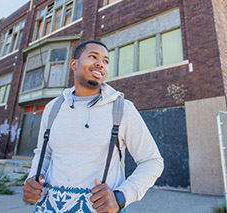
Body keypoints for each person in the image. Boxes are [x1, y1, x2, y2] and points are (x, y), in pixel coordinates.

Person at [23, 40, 164, 213]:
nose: (100, 63)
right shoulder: (54, 107)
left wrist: (122, 197)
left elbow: (152, 161)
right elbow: (44, 154)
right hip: (48, 208)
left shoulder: (122, 108)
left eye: (105, 61)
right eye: (93, 57)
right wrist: (32, 179)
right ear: (74, 64)